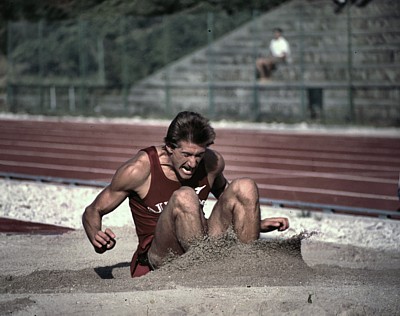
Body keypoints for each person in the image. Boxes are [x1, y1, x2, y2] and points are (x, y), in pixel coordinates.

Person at [82, 111, 289, 278]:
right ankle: (204, 273)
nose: (192, 164)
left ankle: (249, 271)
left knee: (245, 186)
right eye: (186, 154)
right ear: (170, 147)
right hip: (160, 253)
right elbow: (93, 210)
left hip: (202, 240)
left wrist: (255, 222)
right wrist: (96, 236)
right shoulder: (138, 170)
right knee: (185, 196)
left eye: (198, 155)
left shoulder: (211, 163)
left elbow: (229, 199)